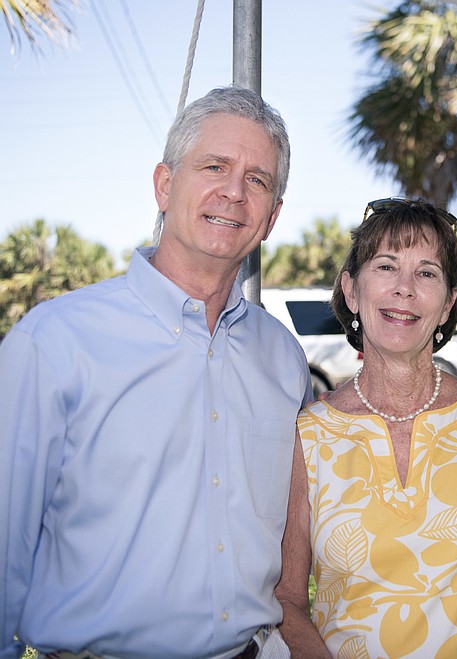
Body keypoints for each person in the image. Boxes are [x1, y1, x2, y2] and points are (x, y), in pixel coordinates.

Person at [0, 86, 312, 659]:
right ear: (164, 185)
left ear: (272, 218)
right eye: (214, 166)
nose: (234, 193)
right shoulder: (55, 343)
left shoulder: (284, 360)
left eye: (258, 180)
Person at [275, 198, 457, 658]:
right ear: (352, 291)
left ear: (449, 302)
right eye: (385, 266)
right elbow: (288, 599)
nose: (404, 289)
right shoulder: (308, 436)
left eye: (427, 273)